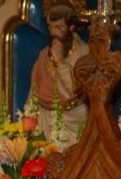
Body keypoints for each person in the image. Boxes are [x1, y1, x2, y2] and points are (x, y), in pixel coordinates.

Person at [29, 2, 89, 146]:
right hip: (46, 123)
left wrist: (60, 63)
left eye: (59, 27)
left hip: (75, 125)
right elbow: (33, 96)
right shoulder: (43, 56)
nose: (53, 33)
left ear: (71, 27)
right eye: (50, 27)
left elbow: (77, 92)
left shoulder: (85, 54)